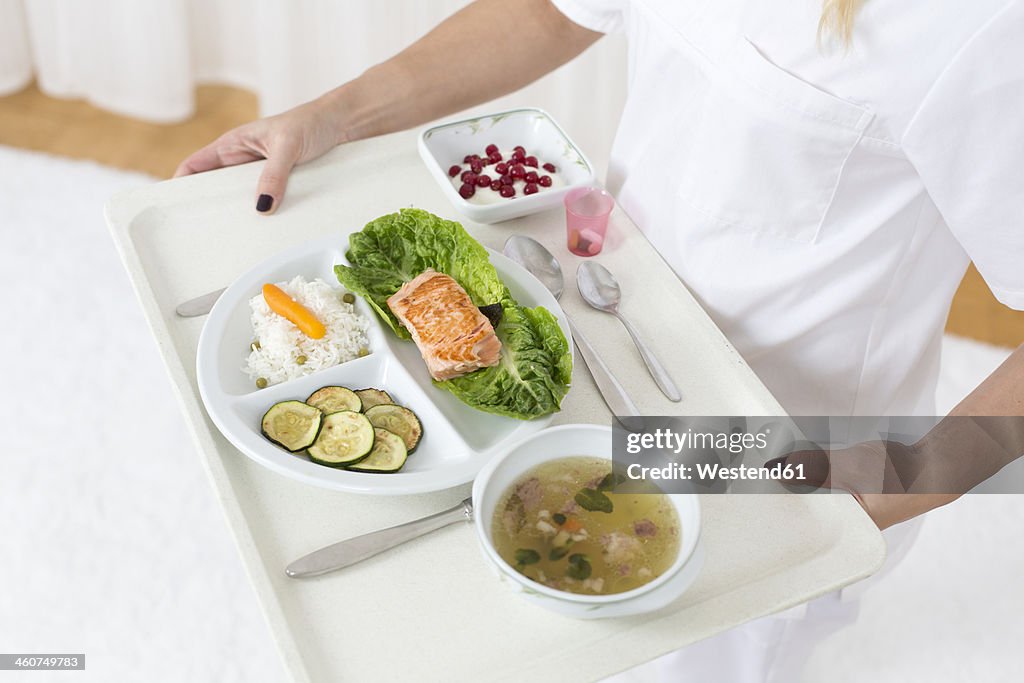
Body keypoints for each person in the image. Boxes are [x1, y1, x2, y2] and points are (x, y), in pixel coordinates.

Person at [177, 0, 1024, 678]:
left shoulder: (983, 29)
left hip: (780, 447)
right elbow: (553, 8)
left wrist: (898, 484)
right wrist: (337, 114)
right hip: (607, 330)